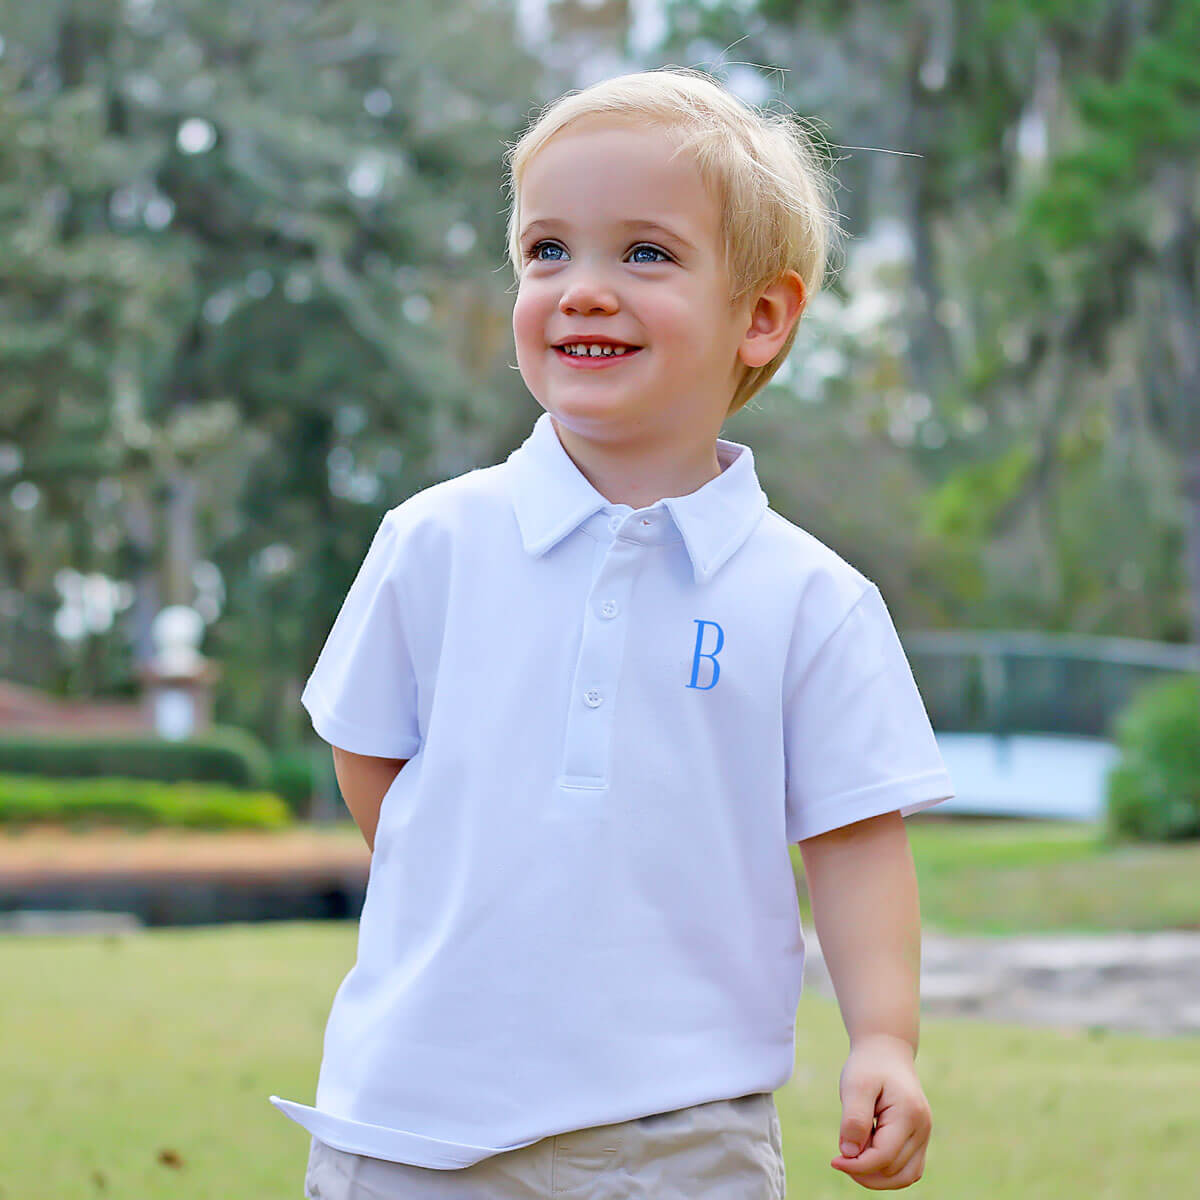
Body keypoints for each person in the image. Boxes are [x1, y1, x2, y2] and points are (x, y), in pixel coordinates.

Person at [270, 66, 955, 1198]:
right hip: (413, 1118)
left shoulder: (810, 599)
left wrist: (884, 1040)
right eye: (549, 251)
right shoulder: (433, 542)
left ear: (764, 316)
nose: (583, 289)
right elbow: (370, 758)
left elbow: (854, 839)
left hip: (681, 1133)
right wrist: (478, 884)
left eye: (645, 253)